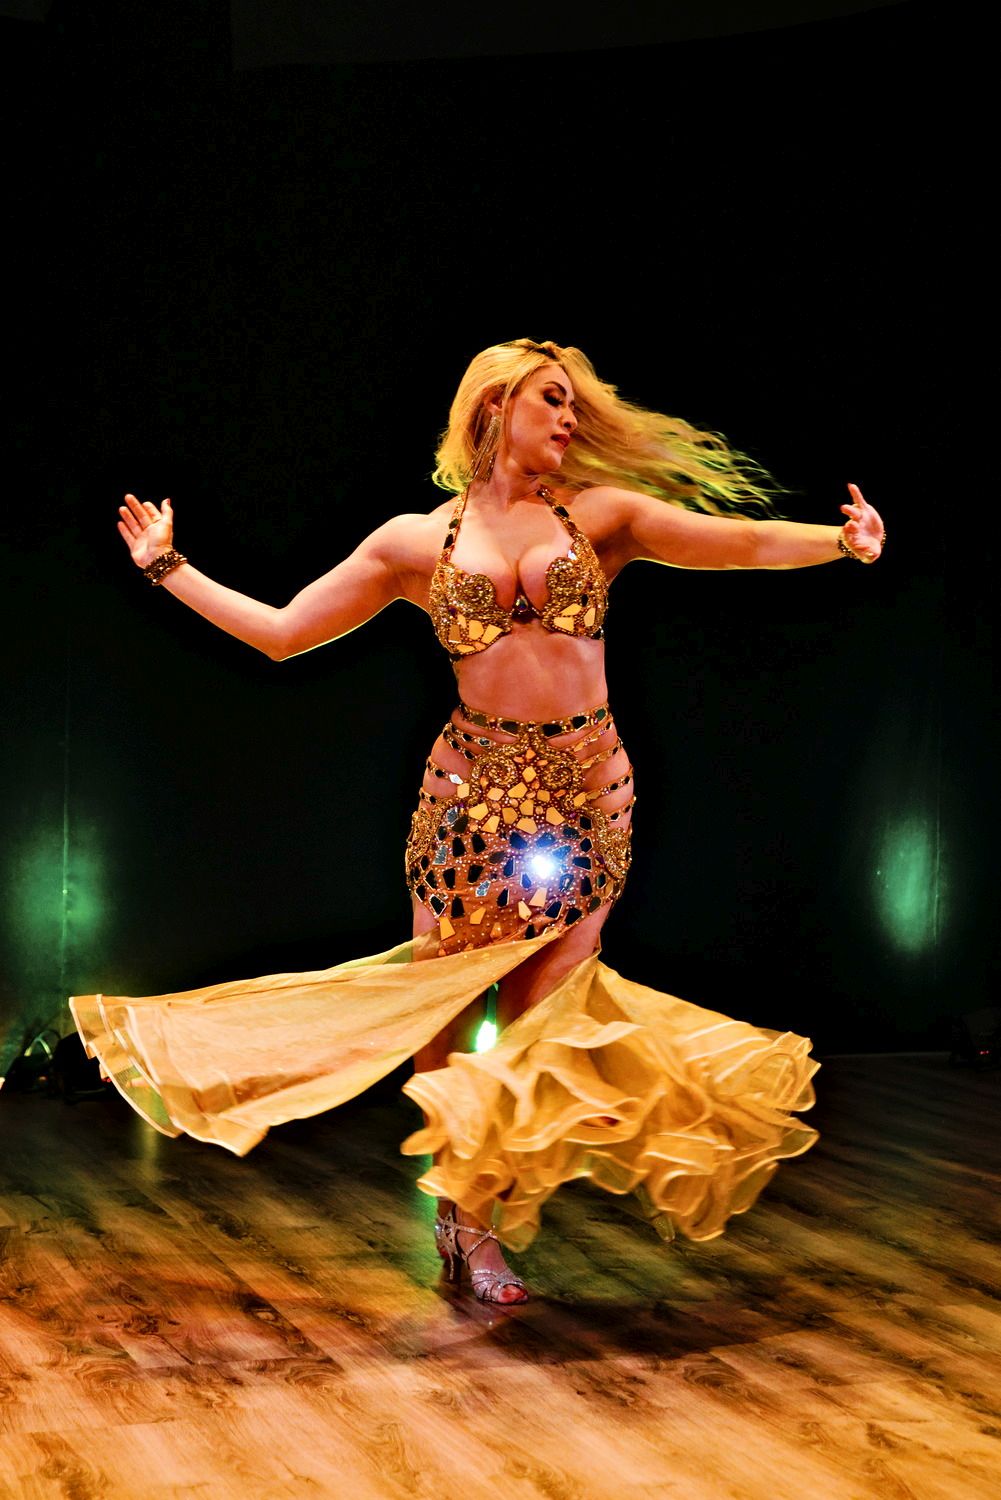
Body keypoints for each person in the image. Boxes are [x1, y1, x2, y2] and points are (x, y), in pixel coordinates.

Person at [72, 338, 885, 1306]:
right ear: (495, 406)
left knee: (544, 1025)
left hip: (586, 800)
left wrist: (837, 542)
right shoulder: (413, 543)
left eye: (575, 405)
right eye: (552, 400)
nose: (569, 419)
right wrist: (167, 567)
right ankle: (465, 1224)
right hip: (469, 805)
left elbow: (735, 544)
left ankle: (488, 1217)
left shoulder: (601, 517)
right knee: (451, 1016)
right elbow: (285, 635)